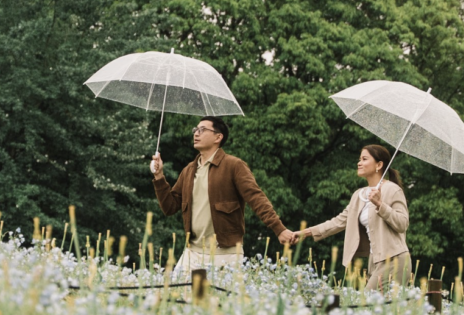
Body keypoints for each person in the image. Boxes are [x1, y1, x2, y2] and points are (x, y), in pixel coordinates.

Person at [152, 117, 297, 271]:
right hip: (192, 253)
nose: (196, 133)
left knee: (220, 289)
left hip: (226, 254)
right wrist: (159, 176)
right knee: (176, 287)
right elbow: (169, 207)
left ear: (218, 137)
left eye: (202, 130)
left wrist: (279, 229)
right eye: (195, 130)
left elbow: (256, 198)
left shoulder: (234, 165)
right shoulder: (188, 170)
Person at [298, 144, 411, 291]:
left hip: (394, 259)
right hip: (374, 260)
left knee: (367, 301)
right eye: (359, 159)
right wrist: (305, 233)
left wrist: (380, 204)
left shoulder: (393, 190)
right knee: (379, 305)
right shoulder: (359, 195)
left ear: (379, 165)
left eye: (364, 159)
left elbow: (403, 224)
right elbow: (338, 222)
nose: (359, 163)